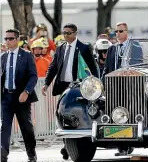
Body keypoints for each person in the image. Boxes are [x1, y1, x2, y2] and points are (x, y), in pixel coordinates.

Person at [41, 23, 99, 160]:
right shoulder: (60, 48)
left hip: (78, 87)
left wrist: (97, 82)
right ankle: (67, 145)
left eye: (68, 33)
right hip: (63, 87)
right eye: (64, 33)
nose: (65, 35)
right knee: (62, 115)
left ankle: (70, 145)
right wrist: (46, 83)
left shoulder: (84, 47)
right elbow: (53, 67)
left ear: (75, 33)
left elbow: (93, 66)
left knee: (75, 116)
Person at [1, 29, 38, 162]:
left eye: (10, 38)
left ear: (17, 40)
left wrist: (26, 91)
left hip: (22, 97)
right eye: (6, 39)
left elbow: (33, 76)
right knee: (4, 127)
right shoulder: (3, 57)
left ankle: (31, 153)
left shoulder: (27, 55)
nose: (7, 41)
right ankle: (3, 156)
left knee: (26, 127)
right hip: (6, 97)